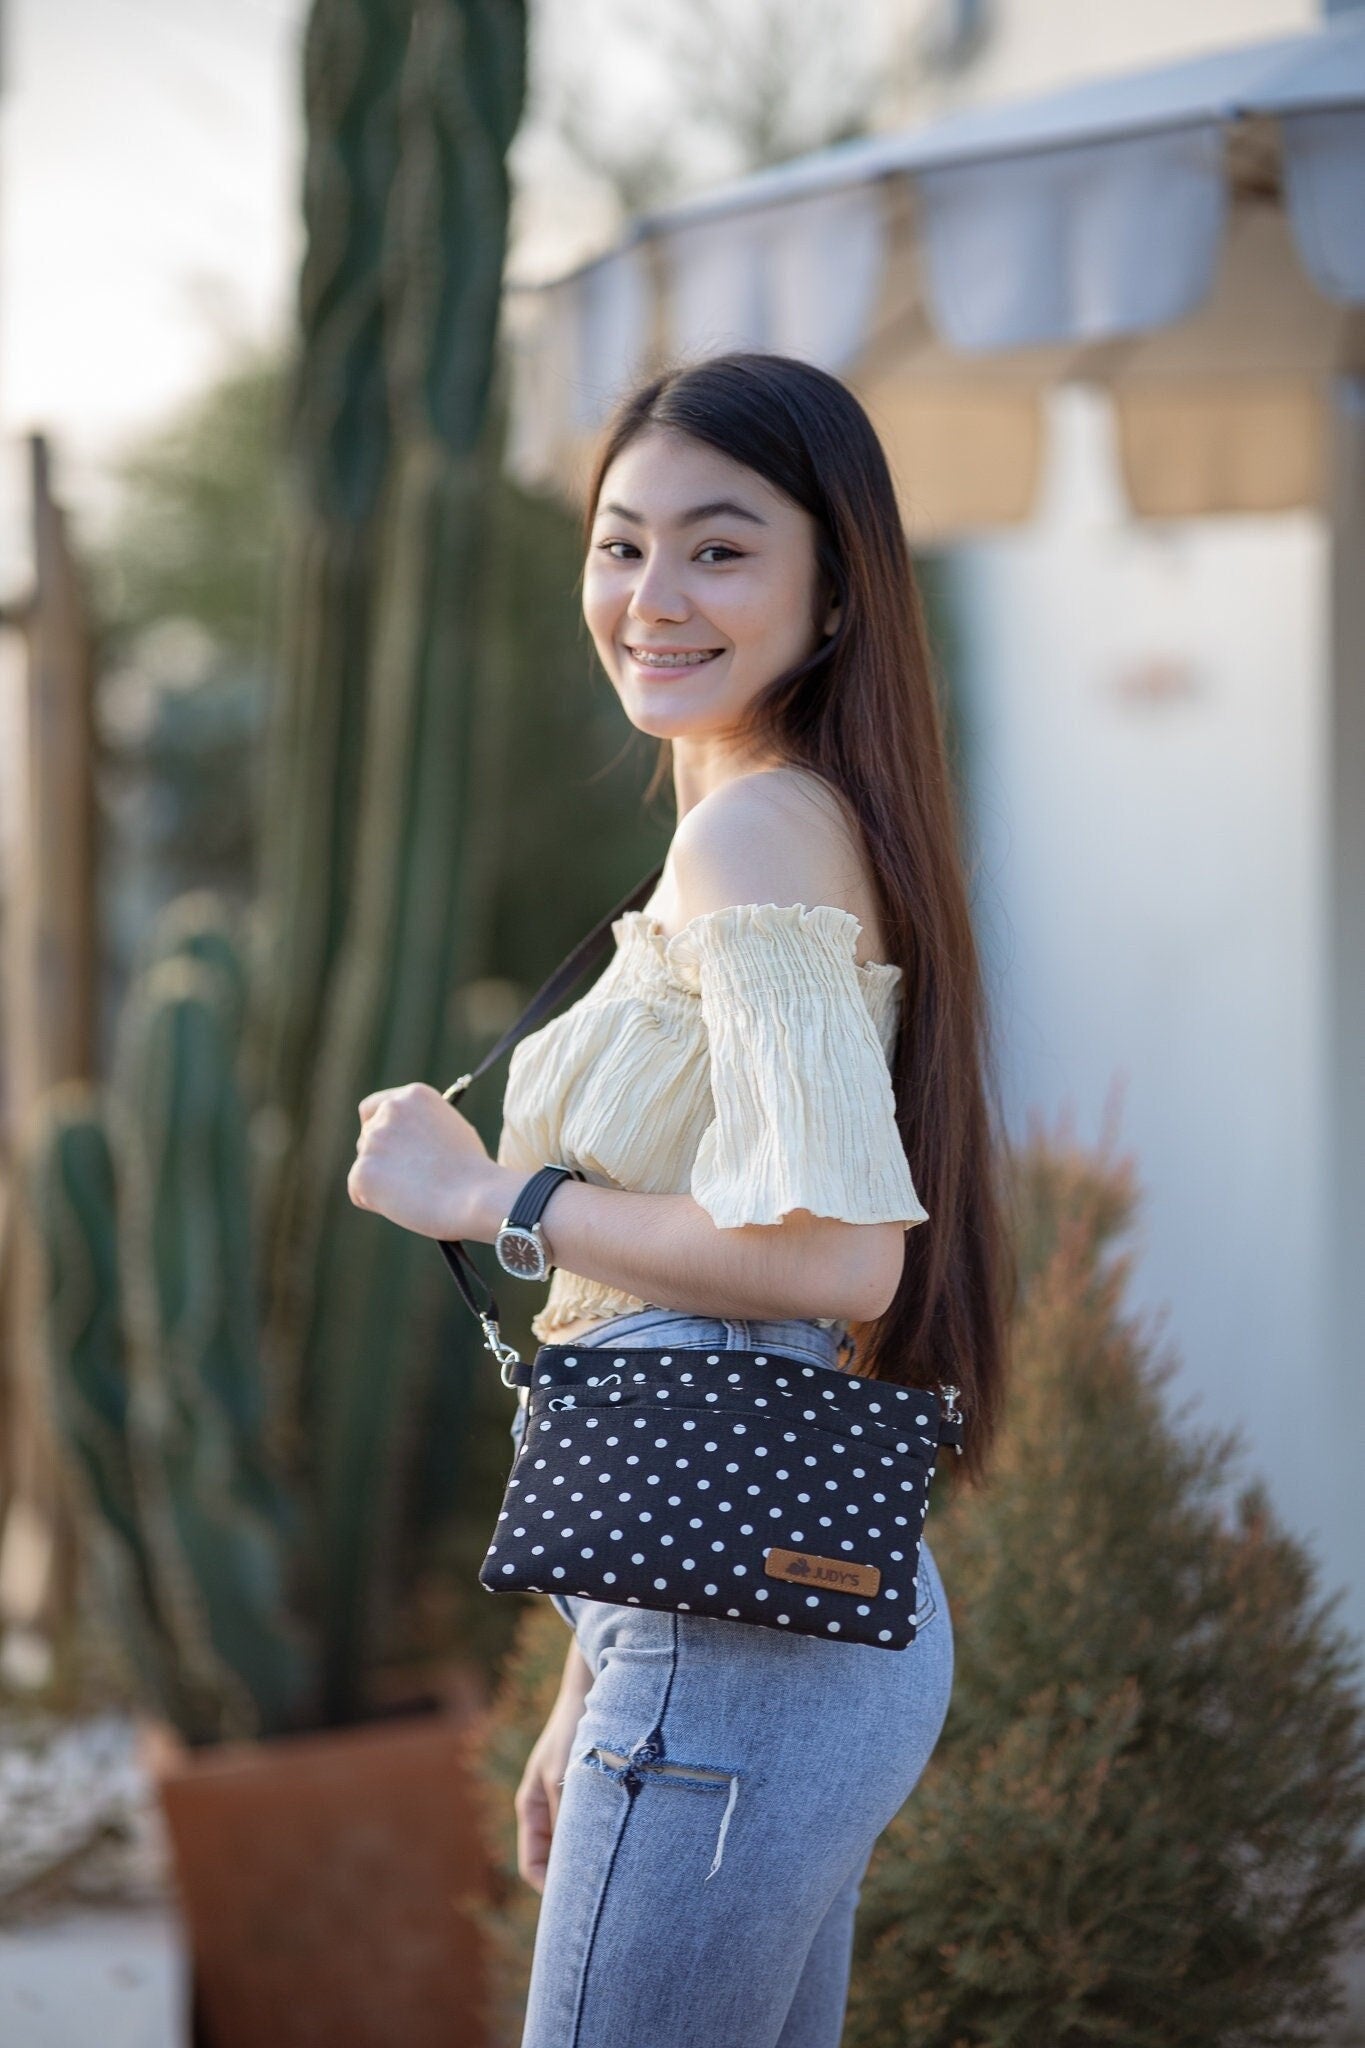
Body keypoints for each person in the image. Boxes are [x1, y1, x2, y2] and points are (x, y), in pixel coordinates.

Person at [348, 350, 1013, 2048]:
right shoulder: (767, 819)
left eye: (719, 548)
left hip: (741, 1653)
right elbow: (713, 1347)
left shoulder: (760, 836)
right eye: (620, 543)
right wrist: (594, 1670)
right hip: (732, 1607)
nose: (651, 596)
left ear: (834, 589)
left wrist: (492, 1195)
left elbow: (838, 1259)